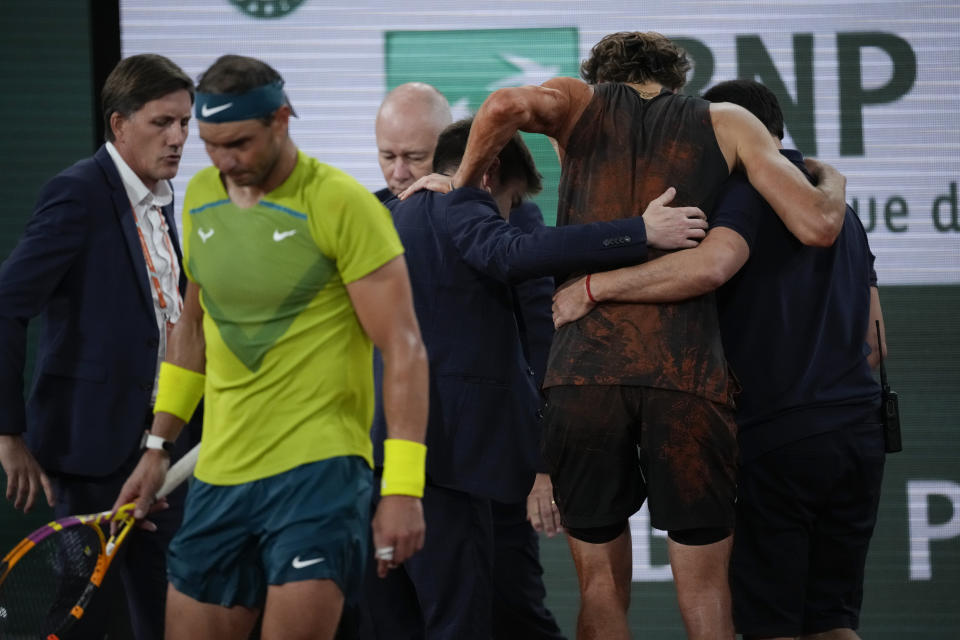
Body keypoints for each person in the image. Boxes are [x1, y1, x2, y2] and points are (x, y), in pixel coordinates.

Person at [449, 31, 850, 640]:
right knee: (707, 586)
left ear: (600, 75)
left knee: (602, 588)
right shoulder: (727, 120)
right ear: (675, 80)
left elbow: (502, 108)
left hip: (584, 377)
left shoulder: (576, 102)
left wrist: (463, 185)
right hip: (686, 377)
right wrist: (835, 181)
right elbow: (819, 225)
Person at [553, 79, 887, 640]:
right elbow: (876, 342)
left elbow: (710, 267)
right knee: (832, 622)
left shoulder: (744, 190)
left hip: (777, 439)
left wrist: (595, 287)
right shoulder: (837, 208)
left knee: (771, 625)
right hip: (858, 434)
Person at [111, 54, 430, 640]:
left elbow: (404, 348)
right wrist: (158, 446)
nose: (224, 160)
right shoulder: (202, 196)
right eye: (210, 143)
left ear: (281, 120)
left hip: (319, 476)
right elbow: (192, 331)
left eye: (240, 143)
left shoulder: (342, 204)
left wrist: (404, 487)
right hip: (221, 476)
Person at [361, 117, 709, 640]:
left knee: (394, 621)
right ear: (488, 173)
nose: (505, 217)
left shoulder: (389, 215)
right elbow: (516, 252)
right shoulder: (460, 205)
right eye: (509, 202)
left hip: (376, 453)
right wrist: (642, 231)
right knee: (459, 621)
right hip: (449, 458)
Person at [0, 53, 198, 640]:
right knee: (85, 619)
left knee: (162, 614)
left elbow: (168, 317)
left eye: (185, 123)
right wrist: (8, 433)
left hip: (161, 449)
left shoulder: (162, 200)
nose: (179, 137)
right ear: (119, 124)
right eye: (163, 122)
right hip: (91, 452)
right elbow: (7, 303)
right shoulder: (78, 194)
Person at [372, 81, 565, 640]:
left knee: (514, 613)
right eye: (388, 156)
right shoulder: (374, 219)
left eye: (415, 157)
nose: (401, 172)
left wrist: (542, 463)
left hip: (488, 467)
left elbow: (541, 342)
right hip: (402, 468)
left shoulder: (513, 218)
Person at [374, 82, 453, 202]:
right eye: (388, 157)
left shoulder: (481, 211)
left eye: (415, 158)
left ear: (447, 153)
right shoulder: (367, 212)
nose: (399, 175)